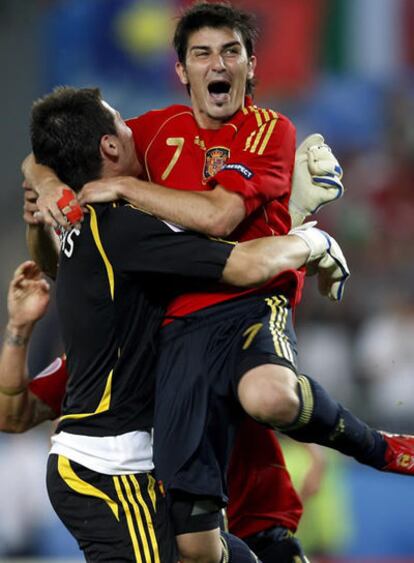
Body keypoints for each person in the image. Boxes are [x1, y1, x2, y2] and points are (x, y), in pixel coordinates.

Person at [23, 3, 414, 562]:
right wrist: (48, 182)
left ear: (251, 65)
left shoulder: (267, 128)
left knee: (269, 396)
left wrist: (125, 191)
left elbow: (221, 218)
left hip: (247, 304)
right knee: (200, 545)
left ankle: (380, 449)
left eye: (231, 52)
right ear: (182, 70)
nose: (217, 64)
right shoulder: (152, 132)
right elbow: (53, 149)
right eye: (202, 53)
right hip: (176, 332)